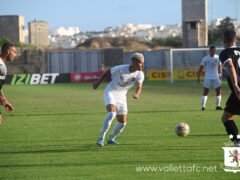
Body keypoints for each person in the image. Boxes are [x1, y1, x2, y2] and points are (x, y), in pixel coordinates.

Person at [93, 53, 144, 147]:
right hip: (111, 91)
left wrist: (137, 94)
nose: (142, 65)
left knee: (122, 123)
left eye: (143, 63)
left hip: (122, 96)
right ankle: (101, 138)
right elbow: (108, 71)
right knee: (112, 113)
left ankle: (111, 138)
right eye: (140, 63)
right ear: (133, 62)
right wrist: (98, 83)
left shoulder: (140, 74)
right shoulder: (121, 68)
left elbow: (139, 86)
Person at [219, 30, 240, 147]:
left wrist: (236, 85)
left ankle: (238, 145)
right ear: (236, 40)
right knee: (229, 116)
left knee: (226, 118)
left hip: (239, 90)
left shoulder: (225, 53)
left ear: (224, 42)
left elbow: (231, 65)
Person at [197, 46, 223, 111]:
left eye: (214, 50)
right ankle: (203, 107)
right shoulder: (205, 58)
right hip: (208, 77)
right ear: (209, 51)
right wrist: (198, 77)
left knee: (218, 91)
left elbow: (220, 67)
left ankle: (218, 106)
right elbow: (201, 68)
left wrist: (220, 76)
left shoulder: (218, 57)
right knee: (206, 92)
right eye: (212, 50)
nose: (213, 52)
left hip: (216, 77)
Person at [0, 43, 16, 125]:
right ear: (8, 52)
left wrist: (4, 100)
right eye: (14, 52)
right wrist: (4, 101)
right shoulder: (1, 67)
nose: (15, 55)